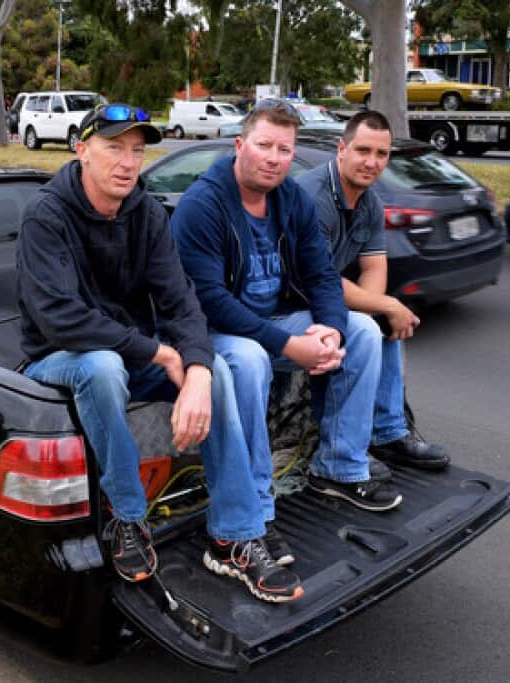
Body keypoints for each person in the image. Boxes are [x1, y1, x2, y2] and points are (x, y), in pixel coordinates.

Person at [17, 104, 303, 602]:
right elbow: (59, 317)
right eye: (113, 148)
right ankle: (128, 518)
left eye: (136, 150)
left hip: (134, 352)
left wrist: (194, 366)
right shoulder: (46, 215)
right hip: (59, 358)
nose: (127, 162)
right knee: (104, 366)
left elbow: (181, 300)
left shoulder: (145, 212)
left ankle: (234, 534)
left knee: (219, 369)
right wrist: (160, 353)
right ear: (81, 149)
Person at [172, 99, 404, 527]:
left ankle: (338, 469)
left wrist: (332, 329)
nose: (274, 159)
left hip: (276, 319)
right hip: (216, 330)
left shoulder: (290, 199)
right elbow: (209, 301)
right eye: (264, 145)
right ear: (240, 145)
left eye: (284, 150)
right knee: (251, 358)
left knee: (364, 332)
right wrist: (289, 345)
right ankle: (255, 501)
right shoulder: (201, 206)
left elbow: (323, 275)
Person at [295, 110, 449, 473]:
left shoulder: (369, 202)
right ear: (342, 149)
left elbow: (374, 265)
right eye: (363, 150)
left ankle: (388, 433)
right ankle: (338, 456)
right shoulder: (312, 198)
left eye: (381, 154)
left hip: (322, 295)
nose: (372, 162)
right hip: (287, 300)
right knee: (372, 321)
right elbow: (318, 279)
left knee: (379, 322)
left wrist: (376, 308)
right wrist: (381, 307)